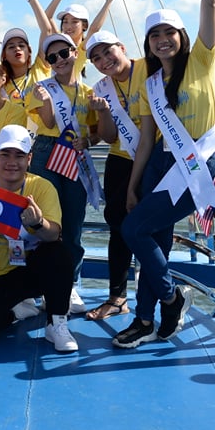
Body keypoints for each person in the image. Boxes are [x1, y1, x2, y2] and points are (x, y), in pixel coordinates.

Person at [113, 0, 215, 349]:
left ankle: (171, 297)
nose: (162, 40)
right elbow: (145, 140)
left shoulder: (202, 60)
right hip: (160, 164)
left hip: (199, 162)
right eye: (154, 35)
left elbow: (210, 2)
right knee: (152, 239)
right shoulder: (150, 84)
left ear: (181, 36)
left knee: (134, 231)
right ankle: (145, 320)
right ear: (148, 44)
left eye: (169, 33)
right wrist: (132, 185)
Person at [0, 125, 76, 352]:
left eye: (19, 156)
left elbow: (53, 234)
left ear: (29, 159)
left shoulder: (43, 187)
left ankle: (56, 322)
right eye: (5, 154)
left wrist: (38, 223)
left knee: (58, 252)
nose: (12, 162)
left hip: (31, 271)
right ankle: (16, 312)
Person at [27, 32, 101, 314]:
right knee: (44, 220)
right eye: (52, 57)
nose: (59, 60)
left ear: (75, 53)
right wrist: (46, 100)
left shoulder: (89, 92)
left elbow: (97, 132)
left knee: (72, 222)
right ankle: (42, 285)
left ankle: (69, 284)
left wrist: (88, 142)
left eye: (63, 53)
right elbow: (47, 122)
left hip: (75, 155)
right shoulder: (40, 88)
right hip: (46, 151)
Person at [85, 27, 145, 321]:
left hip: (154, 158)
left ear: (121, 47)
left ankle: (156, 295)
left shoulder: (149, 68)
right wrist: (104, 112)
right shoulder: (100, 89)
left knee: (151, 228)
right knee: (118, 226)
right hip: (120, 159)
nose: (104, 60)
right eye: (96, 58)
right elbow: (108, 137)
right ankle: (118, 298)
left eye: (107, 51)